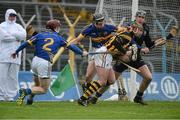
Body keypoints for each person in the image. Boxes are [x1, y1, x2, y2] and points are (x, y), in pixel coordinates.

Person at [11, 19, 87, 105]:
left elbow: (26, 43)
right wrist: (82, 53)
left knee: (37, 84)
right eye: (58, 27)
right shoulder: (59, 38)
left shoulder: (40, 35)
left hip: (35, 61)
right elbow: (71, 47)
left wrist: (16, 51)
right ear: (55, 28)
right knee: (44, 89)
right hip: (44, 63)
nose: (59, 28)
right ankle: (25, 91)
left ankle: (30, 100)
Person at [77, 22, 143, 106]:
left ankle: (89, 89)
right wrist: (125, 52)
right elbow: (116, 43)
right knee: (102, 81)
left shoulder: (128, 37)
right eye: (139, 30)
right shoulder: (127, 35)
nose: (140, 32)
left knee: (111, 80)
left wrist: (129, 50)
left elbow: (119, 46)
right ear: (134, 30)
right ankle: (83, 98)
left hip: (108, 55)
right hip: (105, 54)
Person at [70, 13, 123, 93]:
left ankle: (94, 94)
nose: (101, 24)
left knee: (111, 81)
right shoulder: (88, 29)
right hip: (96, 54)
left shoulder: (109, 28)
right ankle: (87, 93)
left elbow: (123, 31)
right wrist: (67, 44)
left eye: (102, 21)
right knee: (88, 77)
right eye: (99, 22)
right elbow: (77, 40)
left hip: (106, 55)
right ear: (94, 22)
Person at [0, 9, 26, 101]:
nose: (12, 17)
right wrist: (17, 37)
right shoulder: (2, 26)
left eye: (14, 15)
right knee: (2, 76)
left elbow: (24, 36)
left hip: (16, 56)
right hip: (3, 56)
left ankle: (10, 96)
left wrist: (13, 34)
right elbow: (4, 37)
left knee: (13, 77)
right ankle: (1, 96)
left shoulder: (18, 26)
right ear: (7, 15)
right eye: (11, 15)